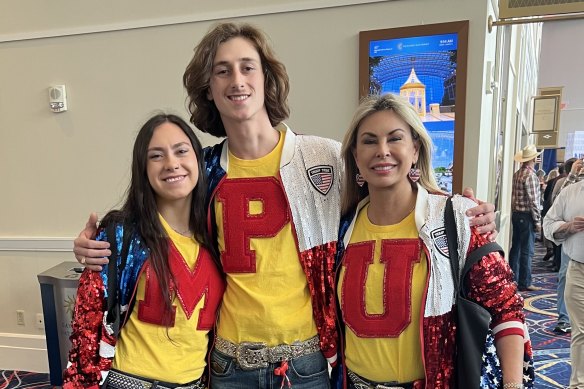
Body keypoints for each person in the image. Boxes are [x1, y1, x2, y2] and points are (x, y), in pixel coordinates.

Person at [72, 22, 498, 389]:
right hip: (227, 362)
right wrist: (93, 247)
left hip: (305, 362)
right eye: (222, 71)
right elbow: (152, 218)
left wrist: (458, 209)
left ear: (266, 78)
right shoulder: (203, 171)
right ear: (209, 88)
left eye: (246, 67)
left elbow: (390, 188)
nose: (236, 80)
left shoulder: (322, 157)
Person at [333, 93, 532, 389]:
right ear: (355, 156)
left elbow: (506, 309)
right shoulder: (340, 229)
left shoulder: (457, 217)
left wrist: (513, 385)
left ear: (415, 149)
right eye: (370, 141)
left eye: (395, 138)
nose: (382, 150)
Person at [62, 114, 225, 389]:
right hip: (130, 382)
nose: (172, 163)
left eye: (181, 151)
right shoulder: (122, 232)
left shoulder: (216, 232)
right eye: (156, 156)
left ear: (198, 159)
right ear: (144, 169)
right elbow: (86, 328)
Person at [543, 175, 584, 388]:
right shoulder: (571, 192)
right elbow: (548, 224)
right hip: (577, 269)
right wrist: (568, 227)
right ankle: (578, 384)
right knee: (581, 331)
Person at [508, 144, 543, 292]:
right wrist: (538, 222)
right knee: (527, 250)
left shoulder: (517, 174)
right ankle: (525, 281)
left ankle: (512, 279)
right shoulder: (531, 176)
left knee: (515, 248)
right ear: (534, 158)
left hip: (516, 214)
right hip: (526, 216)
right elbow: (534, 201)